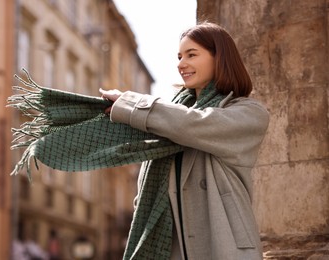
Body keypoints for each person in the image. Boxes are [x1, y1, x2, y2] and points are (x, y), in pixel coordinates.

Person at [100, 21, 269, 260]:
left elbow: (195, 124)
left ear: (219, 58)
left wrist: (131, 104)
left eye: (192, 54)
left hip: (225, 247)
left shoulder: (249, 114)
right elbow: (142, 196)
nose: (181, 64)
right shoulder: (165, 123)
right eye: (179, 56)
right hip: (172, 250)